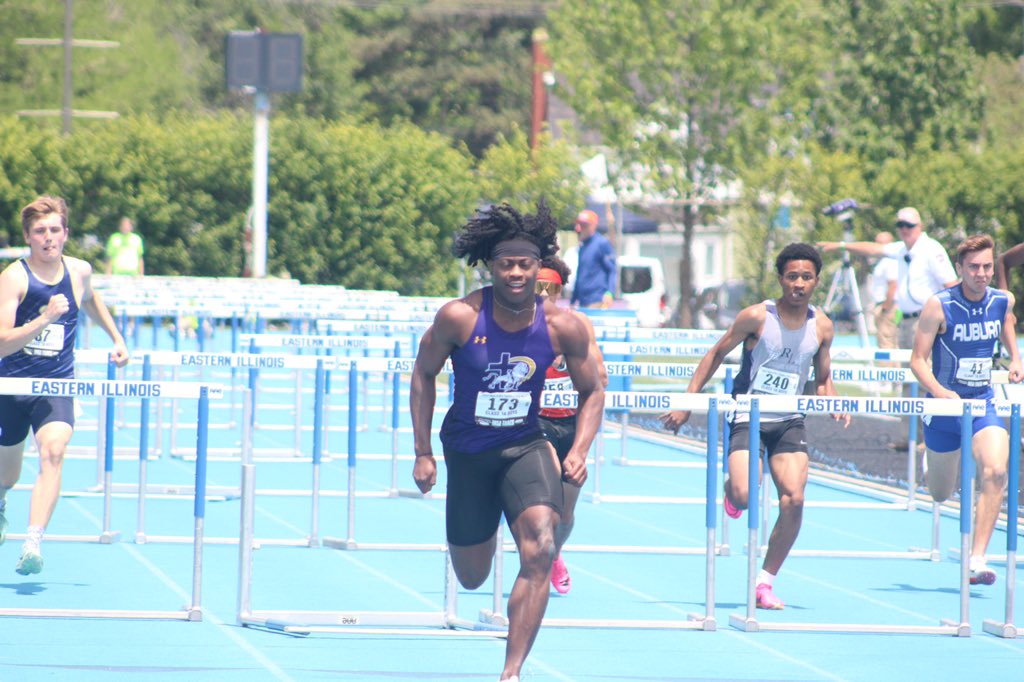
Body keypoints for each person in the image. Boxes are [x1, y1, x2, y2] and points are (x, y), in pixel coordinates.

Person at [410, 202, 604, 682]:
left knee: (540, 547)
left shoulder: (564, 326)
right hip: (469, 453)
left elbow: (594, 390)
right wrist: (422, 452)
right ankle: (486, 518)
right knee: (472, 576)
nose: (516, 273)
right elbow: (423, 373)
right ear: (490, 266)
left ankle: (511, 672)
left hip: (525, 445)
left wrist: (579, 449)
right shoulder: (459, 318)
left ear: (541, 267)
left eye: (525, 263)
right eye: (506, 264)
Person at [659, 243, 849, 610]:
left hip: (789, 420)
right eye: (792, 276)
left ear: (816, 282)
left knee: (794, 498)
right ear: (780, 279)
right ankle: (734, 493)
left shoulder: (822, 325)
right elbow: (715, 354)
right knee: (746, 495)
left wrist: (834, 400)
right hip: (748, 413)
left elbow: (824, 378)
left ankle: (764, 583)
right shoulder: (756, 317)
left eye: (806, 277)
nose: (798, 283)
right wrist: (686, 404)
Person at [0, 195, 130, 575]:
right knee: (7, 474)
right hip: (10, 385)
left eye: (55, 230)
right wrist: (43, 320)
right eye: (40, 231)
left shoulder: (79, 272)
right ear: (28, 237)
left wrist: (116, 338)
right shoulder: (14, 278)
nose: (48, 238)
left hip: (56, 384)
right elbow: (2, 342)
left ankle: (33, 542)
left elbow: (90, 300)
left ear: (66, 234)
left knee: (53, 451)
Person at [909, 234, 1021, 586]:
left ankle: (977, 558)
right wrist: (941, 393)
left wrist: (1015, 358)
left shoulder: (1002, 300)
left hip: (983, 400)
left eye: (987, 266)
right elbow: (917, 361)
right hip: (944, 408)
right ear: (959, 269)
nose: (982, 273)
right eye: (973, 267)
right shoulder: (939, 305)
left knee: (996, 471)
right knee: (941, 492)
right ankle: (934, 458)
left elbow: (1007, 324)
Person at [820, 207, 957, 447]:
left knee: (929, 379)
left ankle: (931, 437)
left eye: (909, 225)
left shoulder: (931, 249)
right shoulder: (902, 249)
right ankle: (910, 436)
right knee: (908, 379)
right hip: (906, 321)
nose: (904, 230)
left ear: (920, 226)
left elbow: (951, 284)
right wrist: (842, 246)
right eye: (900, 225)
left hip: (927, 321)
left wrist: (947, 320)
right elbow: (873, 248)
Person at [535, 256, 608, 595]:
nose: (544, 294)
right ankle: (537, 552)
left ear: (560, 290)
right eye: (538, 288)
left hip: (572, 421)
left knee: (566, 507)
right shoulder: (519, 324)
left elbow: (600, 378)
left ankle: (555, 554)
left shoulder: (577, 324)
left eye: (550, 289)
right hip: (536, 423)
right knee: (548, 490)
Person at [568, 209, 616, 308]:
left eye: (585, 225)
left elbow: (612, 270)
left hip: (598, 299)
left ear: (594, 225)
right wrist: (573, 300)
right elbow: (580, 273)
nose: (582, 228)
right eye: (580, 224)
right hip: (583, 301)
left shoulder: (601, 243)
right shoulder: (583, 246)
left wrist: (610, 293)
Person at [868, 232, 899, 352]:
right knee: (888, 342)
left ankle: (887, 370)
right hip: (884, 305)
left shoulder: (890, 262)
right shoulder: (883, 262)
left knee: (886, 344)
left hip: (887, 306)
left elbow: (893, 285)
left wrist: (885, 308)